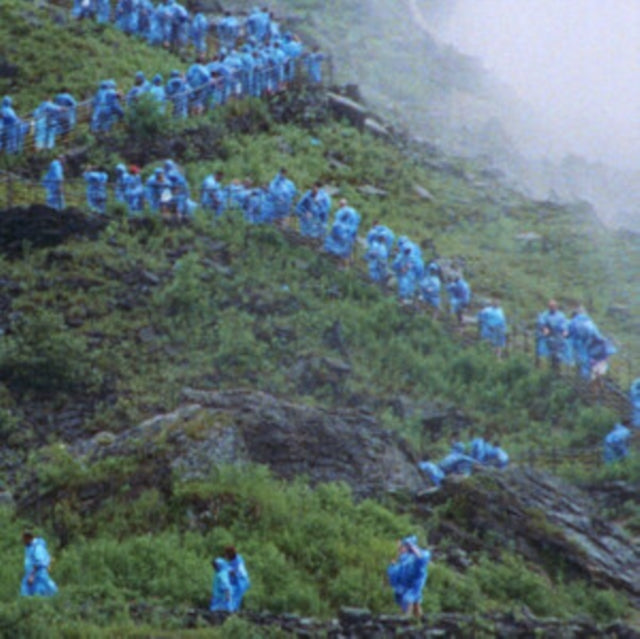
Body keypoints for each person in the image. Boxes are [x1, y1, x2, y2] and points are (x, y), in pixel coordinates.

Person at [387, 536, 431, 618]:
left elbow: (421, 560)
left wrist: (411, 546)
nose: (401, 549)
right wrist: (392, 565)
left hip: (414, 585)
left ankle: (408, 621)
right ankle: (419, 621)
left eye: (403, 547)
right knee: (415, 604)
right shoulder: (403, 559)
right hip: (406, 586)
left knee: (408, 601)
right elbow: (396, 574)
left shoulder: (413, 558)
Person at [21, 531, 58, 597]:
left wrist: (32, 575)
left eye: (24, 539)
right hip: (32, 573)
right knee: (28, 590)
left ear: (28, 537)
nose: (23, 541)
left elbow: (39, 562)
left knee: (41, 590)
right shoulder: (29, 546)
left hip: (38, 574)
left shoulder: (37, 547)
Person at [536, 299, 571, 369]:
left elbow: (564, 325)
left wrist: (565, 331)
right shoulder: (545, 315)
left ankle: (562, 366)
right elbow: (542, 323)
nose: (553, 308)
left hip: (558, 338)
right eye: (551, 306)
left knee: (561, 353)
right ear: (549, 307)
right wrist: (544, 329)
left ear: (556, 307)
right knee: (548, 355)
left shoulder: (561, 315)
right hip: (548, 338)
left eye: (554, 306)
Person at [568, 306, 601, 380]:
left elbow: (569, 334)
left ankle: (582, 380)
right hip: (591, 344)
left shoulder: (573, 321)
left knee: (581, 362)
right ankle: (589, 380)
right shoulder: (589, 321)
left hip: (579, 345)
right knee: (589, 362)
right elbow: (596, 334)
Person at [224, 546, 250, 611]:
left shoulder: (238, 560)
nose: (226, 556)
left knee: (236, 597)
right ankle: (230, 610)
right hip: (235, 582)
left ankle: (233, 611)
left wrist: (230, 572)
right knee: (229, 594)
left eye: (227, 554)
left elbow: (238, 571)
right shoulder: (231, 562)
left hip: (241, 581)